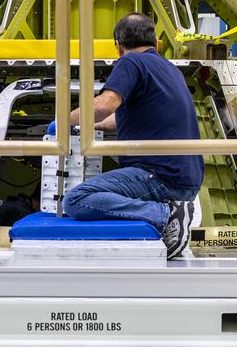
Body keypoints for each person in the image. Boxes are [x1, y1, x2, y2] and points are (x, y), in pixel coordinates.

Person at [51, 13, 203, 259]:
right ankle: (169, 211)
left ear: (118, 46)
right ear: (156, 42)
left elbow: (105, 105)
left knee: (76, 199)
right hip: (183, 176)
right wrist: (87, 127)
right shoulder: (168, 68)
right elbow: (118, 118)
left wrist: (62, 122)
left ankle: (165, 215)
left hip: (159, 176)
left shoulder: (130, 62)